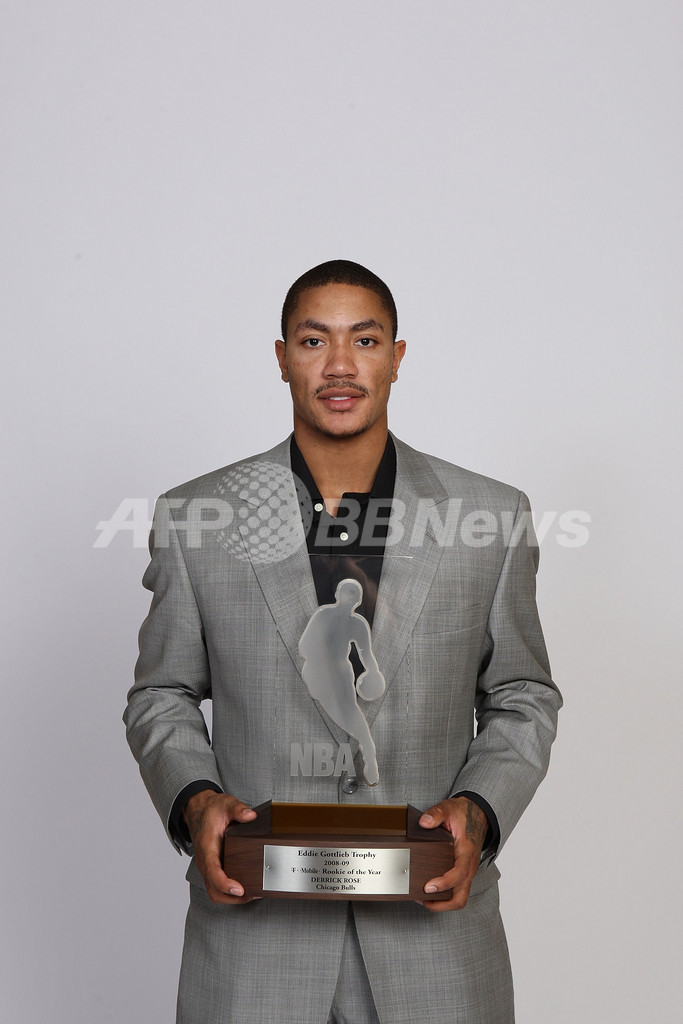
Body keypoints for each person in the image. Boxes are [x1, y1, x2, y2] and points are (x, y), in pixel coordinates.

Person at [125, 260, 562, 1024]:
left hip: (434, 948)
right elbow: (162, 693)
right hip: (254, 949)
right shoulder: (195, 517)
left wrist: (480, 811)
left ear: (396, 356)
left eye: (363, 340)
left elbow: (521, 695)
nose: (338, 365)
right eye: (312, 340)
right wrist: (194, 800)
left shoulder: (489, 517)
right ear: (281, 357)